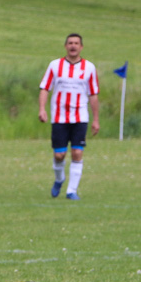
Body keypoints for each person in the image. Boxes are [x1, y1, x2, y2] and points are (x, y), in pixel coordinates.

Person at [38, 33, 100, 201]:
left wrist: (96, 119)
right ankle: (59, 179)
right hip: (59, 117)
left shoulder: (89, 68)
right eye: (70, 43)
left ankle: (71, 191)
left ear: (81, 47)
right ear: (65, 46)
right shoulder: (55, 65)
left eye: (76, 43)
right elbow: (45, 88)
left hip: (80, 117)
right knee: (59, 155)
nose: (73, 46)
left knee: (77, 152)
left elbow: (93, 94)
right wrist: (42, 109)